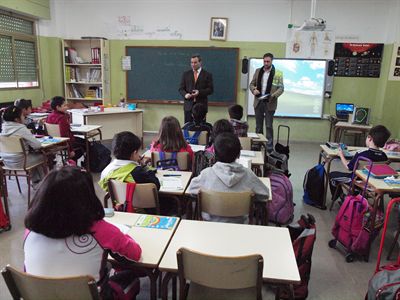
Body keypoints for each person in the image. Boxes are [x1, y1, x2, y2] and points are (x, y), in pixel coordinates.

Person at [24, 167, 142, 294]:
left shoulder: (30, 230)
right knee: (130, 277)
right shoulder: (101, 230)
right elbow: (135, 254)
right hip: (90, 295)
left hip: (39, 295)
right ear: (87, 197)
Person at [187, 132, 269, 223]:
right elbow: (265, 195)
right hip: (240, 228)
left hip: (210, 228)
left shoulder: (206, 174)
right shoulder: (248, 175)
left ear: (214, 154)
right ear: (239, 154)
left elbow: (191, 191)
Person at [329, 125, 391, 200]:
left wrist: (341, 155)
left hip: (356, 181)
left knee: (332, 175)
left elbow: (349, 167)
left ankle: (341, 197)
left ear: (369, 138)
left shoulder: (361, 155)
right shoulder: (384, 156)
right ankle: (355, 194)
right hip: (373, 183)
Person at [0, 106, 46, 186]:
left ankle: (36, 182)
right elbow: (37, 145)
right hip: (22, 162)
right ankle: (44, 184)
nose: (24, 117)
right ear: (17, 119)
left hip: (6, 162)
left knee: (33, 156)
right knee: (43, 155)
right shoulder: (21, 128)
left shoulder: (3, 129)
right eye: (22, 115)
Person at [249, 53, 284, 152]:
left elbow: (281, 88)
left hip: (270, 102)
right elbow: (252, 84)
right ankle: (258, 146)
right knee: (258, 126)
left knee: (269, 126)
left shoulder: (278, 73)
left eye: (268, 61)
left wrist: (273, 95)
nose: (266, 63)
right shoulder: (258, 71)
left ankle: (269, 148)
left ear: (272, 61)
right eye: (264, 61)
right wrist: (253, 90)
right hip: (258, 102)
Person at [46, 96, 85, 162]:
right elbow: (64, 135)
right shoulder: (62, 118)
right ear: (58, 107)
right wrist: (70, 150)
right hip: (65, 143)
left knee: (81, 142)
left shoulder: (49, 116)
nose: (67, 107)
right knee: (86, 144)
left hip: (54, 142)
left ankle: (71, 163)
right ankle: (74, 162)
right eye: (64, 106)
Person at [179, 54, 214, 123]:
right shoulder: (186, 74)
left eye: (195, 62)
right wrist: (185, 95)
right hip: (188, 106)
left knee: (201, 127)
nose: (193, 64)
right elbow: (181, 88)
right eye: (191, 62)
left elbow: (210, 90)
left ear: (200, 62)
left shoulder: (207, 75)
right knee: (188, 127)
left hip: (201, 107)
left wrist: (199, 92)